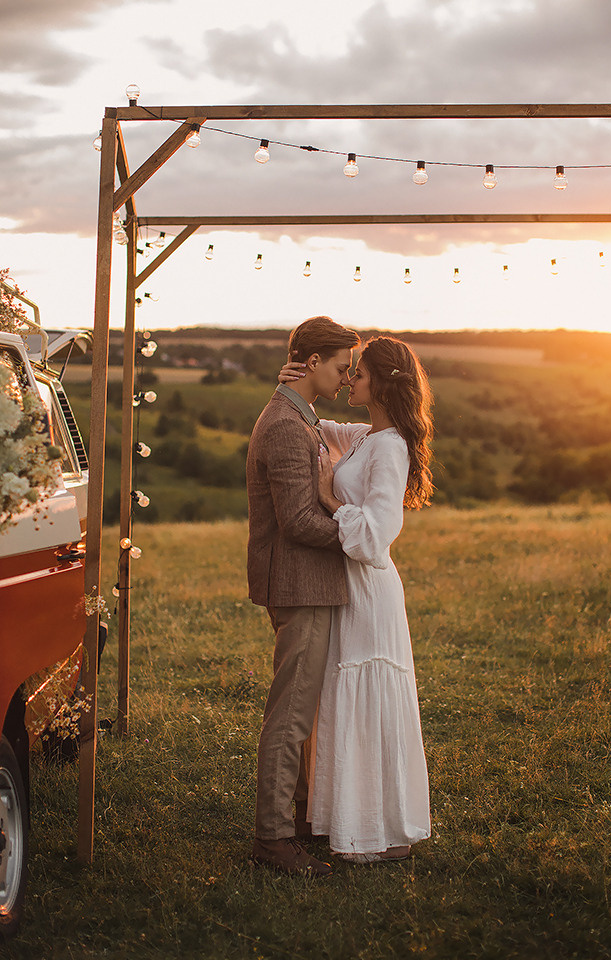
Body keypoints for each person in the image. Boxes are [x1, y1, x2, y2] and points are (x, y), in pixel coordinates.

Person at [279, 335, 433, 863]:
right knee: (346, 700)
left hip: (369, 590)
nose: (350, 379)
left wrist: (327, 500)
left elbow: (375, 537)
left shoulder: (390, 448)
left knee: (367, 703)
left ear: (383, 382)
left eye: (358, 373)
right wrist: (295, 382)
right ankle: (350, 821)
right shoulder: (367, 435)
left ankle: (377, 832)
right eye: (349, 371)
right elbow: (311, 426)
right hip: (347, 589)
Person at [246, 316, 360, 876]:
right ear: (311, 363)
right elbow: (295, 521)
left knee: (304, 710)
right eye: (341, 367)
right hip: (299, 582)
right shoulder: (288, 425)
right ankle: (273, 837)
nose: (346, 378)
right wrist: (358, 533)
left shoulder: (300, 414)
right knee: (291, 714)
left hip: (305, 581)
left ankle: (295, 818)